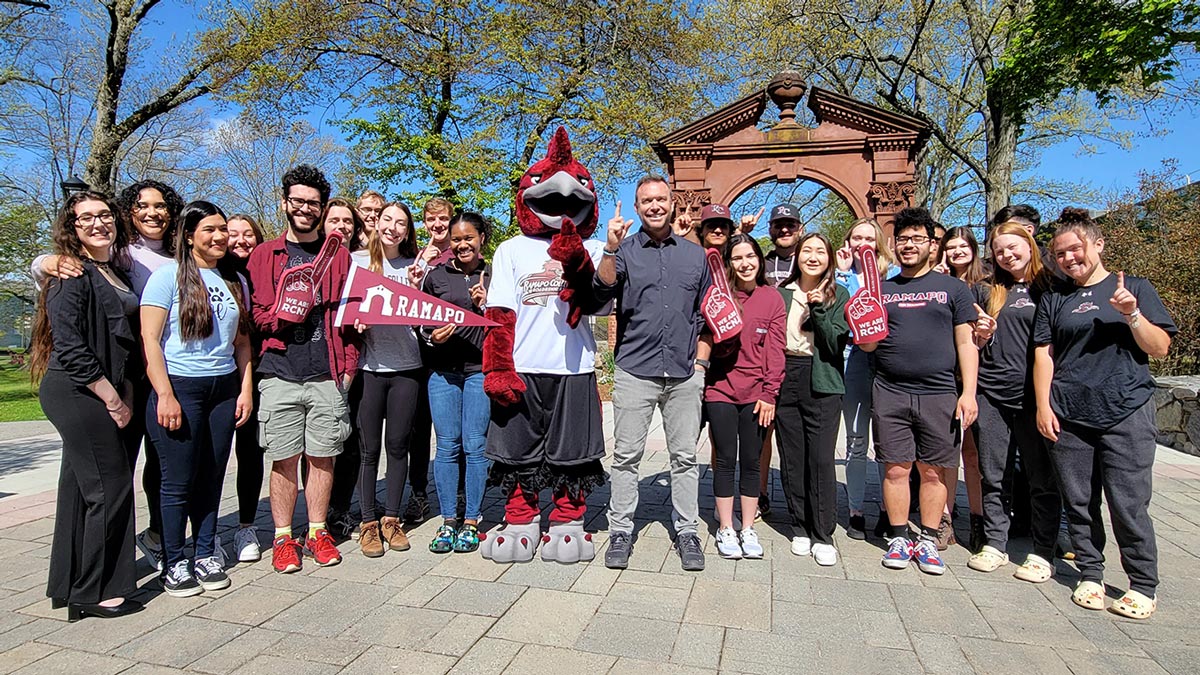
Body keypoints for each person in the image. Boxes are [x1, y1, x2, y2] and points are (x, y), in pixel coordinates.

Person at [34, 179, 185, 573]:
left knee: (140, 471)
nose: (153, 213)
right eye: (142, 206)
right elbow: (66, 313)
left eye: (160, 206)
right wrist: (45, 262)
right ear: (129, 213)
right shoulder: (119, 254)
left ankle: (99, 570)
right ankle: (97, 582)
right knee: (109, 484)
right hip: (104, 382)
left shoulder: (170, 255)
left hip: (139, 378)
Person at [1034, 208, 1175, 619]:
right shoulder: (1056, 299)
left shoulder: (1135, 288)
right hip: (1069, 413)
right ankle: (1091, 575)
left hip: (1125, 411)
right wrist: (1044, 405)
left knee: (1128, 503)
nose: (1068, 258)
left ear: (1097, 244)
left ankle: (1143, 584)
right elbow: (1044, 354)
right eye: (1059, 253)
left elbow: (1160, 347)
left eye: (1074, 249)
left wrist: (1132, 313)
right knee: (1078, 502)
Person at [31, 191, 143, 621]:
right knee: (110, 488)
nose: (98, 223)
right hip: (78, 391)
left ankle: (71, 584)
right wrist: (112, 397)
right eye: (86, 219)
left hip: (102, 389)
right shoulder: (70, 273)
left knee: (80, 489)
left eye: (104, 215)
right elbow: (71, 346)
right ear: (72, 227)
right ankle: (94, 590)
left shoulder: (112, 269)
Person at [246, 164, 360, 573]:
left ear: (322, 208)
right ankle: (282, 537)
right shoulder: (265, 255)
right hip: (279, 371)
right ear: (285, 204)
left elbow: (352, 317)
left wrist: (348, 369)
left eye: (313, 203)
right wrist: (284, 315)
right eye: (298, 201)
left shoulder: (339, 257)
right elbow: (256, 316)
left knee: (323, 457)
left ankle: (316, 531)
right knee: (282, 458)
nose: (305, 209)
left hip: (327, 373)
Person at [595, 175, 712, 572]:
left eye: (661, 199)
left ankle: (687, 531)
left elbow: (707, 315)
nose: (655, 206)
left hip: (683, 372)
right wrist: (610, 248)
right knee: (626, 456)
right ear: (637, 205)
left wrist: (700, 363)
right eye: (646, 200)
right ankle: (621, 530)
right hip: (636, 369)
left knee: (684, 457)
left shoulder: (695, 256)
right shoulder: (624, 251)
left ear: (672, 202)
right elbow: (600, 294)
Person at [140, 201, 254, 596]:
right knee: (177, 482)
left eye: (223, 228)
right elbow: (150, 341)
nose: (220, 236)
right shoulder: (166, 277)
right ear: (189, 236)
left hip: (223, 389)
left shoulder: (233, 280)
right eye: (210, 229)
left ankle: (206, 551)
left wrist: (244, 389)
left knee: (212, 476)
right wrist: (165, 394)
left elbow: (242, 344)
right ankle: (174, 562)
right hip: (180, 387)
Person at [859, 207, 978, 576]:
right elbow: (867, 347)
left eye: (917, 239)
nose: (909, 245)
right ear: (894, 246)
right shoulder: (883, 289)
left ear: (932, 244)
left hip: (940, 391)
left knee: (933, 471)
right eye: (903, 239)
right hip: (890, 390)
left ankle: (927, 539)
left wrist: (968, 392)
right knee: (895, 468)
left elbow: (966, 342)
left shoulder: (953, 289)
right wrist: (863, 321)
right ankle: (898, 536)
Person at [966, 221, 1061, 582]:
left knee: (1040, 475)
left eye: (1012, 247)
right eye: (1000, 250)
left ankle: (1043, 549)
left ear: (1029, 242)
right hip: (993, 393)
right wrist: (981, 335)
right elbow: (971, 344)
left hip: (1035, 396)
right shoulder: (988, 290)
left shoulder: (1051, 287)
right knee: (993, 472)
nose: (1007, 255)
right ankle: (995, 543)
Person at [349, 201, 422, 557]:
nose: (393, 227)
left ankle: (392, 520)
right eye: (388, 220)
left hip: (407, 368)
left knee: (397, 446)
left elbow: (427, 320)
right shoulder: (356, 262)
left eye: (401, 223)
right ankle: (367, 524)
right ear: (377, 223)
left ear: (407, 231)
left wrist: (419, 288)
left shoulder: (414, 267)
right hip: (370, 369)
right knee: (368, 451)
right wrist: (354, 322)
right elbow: (343, 312)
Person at [706, 234, 785, 559]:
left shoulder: (773, 299)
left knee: (752, 462)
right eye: (737, 258)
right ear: (730, 264)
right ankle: (726, 527)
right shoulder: (718, 296)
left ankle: (748, 527)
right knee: (724, 461)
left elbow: (776, 351)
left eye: (750, 256)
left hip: (758, 396)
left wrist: (770, 393)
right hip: (720, 390)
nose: (745, 263)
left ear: (759, 259)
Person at [775, 233, 849, 566]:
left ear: (829, 258)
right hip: (786, 376)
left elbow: (834, 344)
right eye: (807, 250)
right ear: (797, 256)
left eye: (821, 251)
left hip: (822, 379)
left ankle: (823, 533)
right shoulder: (781, 294)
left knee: (820, 459)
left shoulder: (839, 295)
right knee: (793, 457)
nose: (813, 256)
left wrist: (818, 308)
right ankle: (800, 526)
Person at [421, 212, 492, 553]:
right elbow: (418, 321)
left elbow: (508, 322)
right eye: (456, 239)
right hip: (443, 372)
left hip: (480, 369)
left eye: (469, 238)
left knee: (475, 446)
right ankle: (448, 519)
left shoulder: (493, 274)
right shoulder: (436, 276)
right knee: (447, 445)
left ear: (481, 240)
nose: (462, 244)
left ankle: (472, 520)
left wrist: (485, 306)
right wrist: (432, 336)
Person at [833, 218, 897, 539]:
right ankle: (856, 509)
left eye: (868, 238)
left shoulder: (894, 276)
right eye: (856, 237)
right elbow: (836, 310)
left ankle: (889, 510)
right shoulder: (840, 275)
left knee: (888, 443)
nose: (862, 244)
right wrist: (843, 273)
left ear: (878, 243)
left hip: (889, 364)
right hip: (853, 361)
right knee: (857, 441)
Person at [740, 202, 802, 519]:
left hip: (799, 358)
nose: (785, 229)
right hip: (763, 358)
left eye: (790, 224)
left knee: (792, 436)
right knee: (762, 433)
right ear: (771, 230)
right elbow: (726, 264)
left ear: (800, 228)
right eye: (780, 224)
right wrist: (740, 233)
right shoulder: (758, 263)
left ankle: (797, 500)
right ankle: (760, 492)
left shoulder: (808, 263)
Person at [403, 197, 457, 524]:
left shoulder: (460, 253)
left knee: (452, 431)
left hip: (451, 357)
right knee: (418, 429)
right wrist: (421, 268)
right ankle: (419, 494)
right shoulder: (417, 257)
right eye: (430, 220)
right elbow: (409, 303)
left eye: (442, 219)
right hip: (417, 355)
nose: (437, 225)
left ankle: (460, 494)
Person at [934, 226, 987, 550]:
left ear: (973, 248)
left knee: (975, 454)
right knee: (948, 453)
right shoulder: (941, 285)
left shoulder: (986, 286)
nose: (956, 252)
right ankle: (945, 519)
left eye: (961, 246)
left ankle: (980, 520)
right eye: (950, 246)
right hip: (946, 377)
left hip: (981, 378)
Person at [225, 214, 269, 562]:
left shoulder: (260, 274)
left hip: (253, 373)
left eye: (248, 234)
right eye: (233, 233)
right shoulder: (207, 274)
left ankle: (246, 526)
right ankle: (204, 533)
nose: (241, 241)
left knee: (251, 453)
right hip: (212, 376)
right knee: (208, 459)